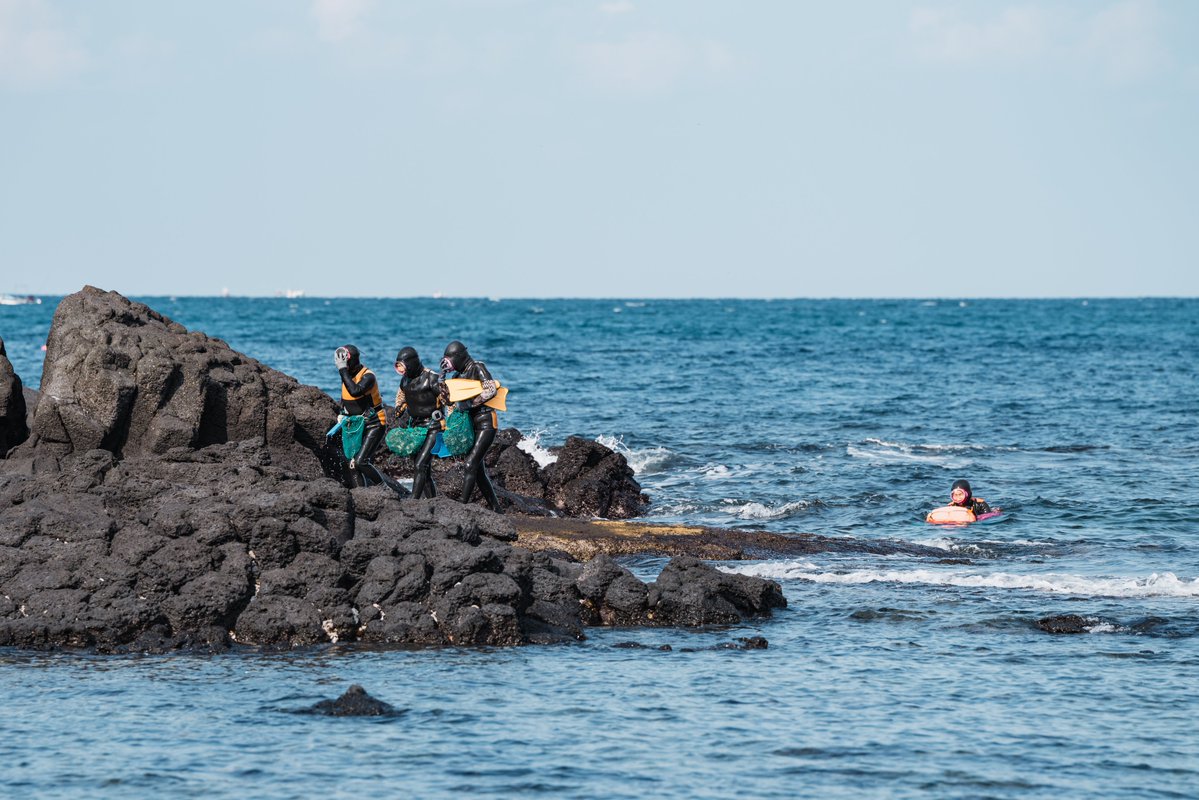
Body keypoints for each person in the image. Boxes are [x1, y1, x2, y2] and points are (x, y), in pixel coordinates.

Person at [441, 340, 503, 513]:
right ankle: (496, 509)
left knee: (470, 465)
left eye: (450, 359)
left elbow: (491, 389)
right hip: (470, 425)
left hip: (486, 423)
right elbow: (449, 401)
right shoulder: (455, 377)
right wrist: (442, 378)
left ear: (460, 356)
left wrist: (471, 403)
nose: (448, 363)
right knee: (479, 471)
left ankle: (462, 505)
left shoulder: (477, 367)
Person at [335, 344, 404, 495]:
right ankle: (362, 495)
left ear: (351, 361)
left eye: (345, 362)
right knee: (352, 464)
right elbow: (345, 396)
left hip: (375, 423)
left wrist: (342, 370)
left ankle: (385, 490)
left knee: (361, 461)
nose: (343, 365)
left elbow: (354, 391)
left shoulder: (368, 376)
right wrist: (342, 413)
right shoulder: (346, 375)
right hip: (355, 424)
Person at [394, 346, 444, 500]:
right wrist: (399, 407)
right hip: (416, 428)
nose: (402, 370)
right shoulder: (405, 380)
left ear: (412, 363)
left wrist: (454, 420)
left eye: (403, 366)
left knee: (420, 465)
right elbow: (401, 395)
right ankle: (433, 503)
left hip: (434, 427)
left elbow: (449, 400)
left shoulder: (432, 378)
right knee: (424, 470)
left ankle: (413, 501)